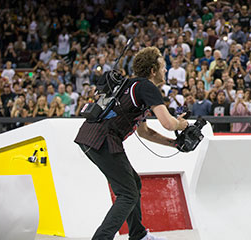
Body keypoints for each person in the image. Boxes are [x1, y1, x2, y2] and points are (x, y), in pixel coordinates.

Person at [74, 47, 188, 240]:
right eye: (162, 66)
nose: (166, 70)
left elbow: (145, 132)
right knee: (127, 194)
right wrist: (181, 124)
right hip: (103, 139)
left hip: (92, 137)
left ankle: (138, 234)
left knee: (132, 183)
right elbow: (168, 123)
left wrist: (175, 144)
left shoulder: (132, 87)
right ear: (153, 70)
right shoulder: (147, 87)